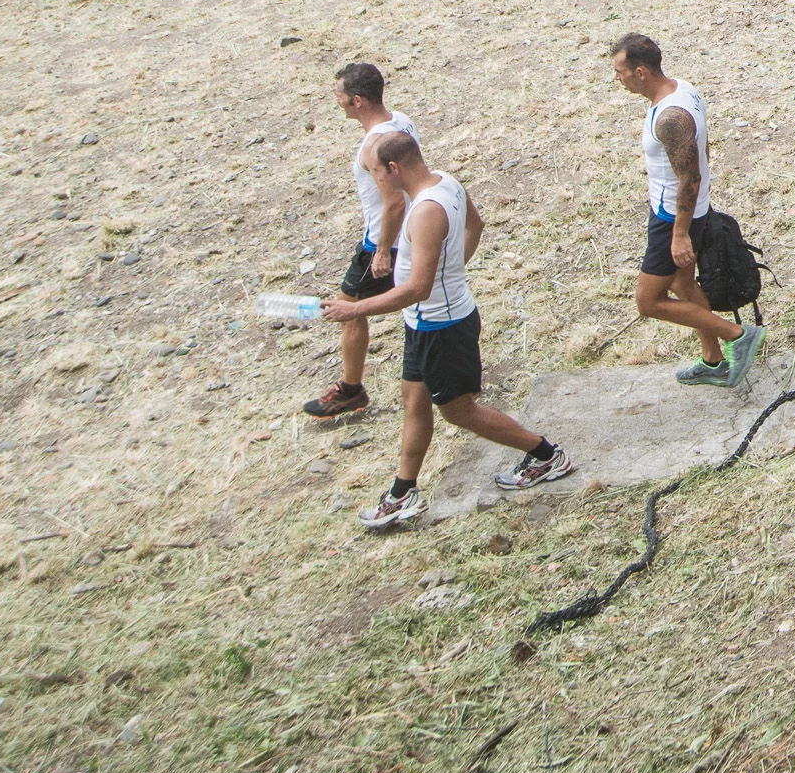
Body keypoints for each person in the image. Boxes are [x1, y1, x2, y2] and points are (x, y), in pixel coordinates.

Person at [324, 129, 575, 530]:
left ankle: (547, 455)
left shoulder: (425, 211)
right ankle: (402, 492)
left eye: (375, 173)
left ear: (394, 167)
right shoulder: (448, 182)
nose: (375, 181)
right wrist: (454, 270)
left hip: (442, 327)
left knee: (460, 412)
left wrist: (353, 309)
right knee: (414, 401)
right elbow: (476, 225)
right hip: (425, 323)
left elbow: (418, 287)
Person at [611, 33, 761, 390]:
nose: (617, 78)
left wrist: (679, 233)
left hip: (673, 218)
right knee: (681, 282)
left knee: (649, 302)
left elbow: (690, 177)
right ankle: (713, 360)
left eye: (620, 71)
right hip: (686, 210)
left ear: (641, 71)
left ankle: (738, 335)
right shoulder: (684, 89)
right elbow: (703, 150)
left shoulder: (670, 117)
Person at [305, 62, 417, 421]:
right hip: (415, 230)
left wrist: (382, 249)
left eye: (339, 96)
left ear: (357, 101)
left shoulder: (374, 145)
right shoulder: (401, 121)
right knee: (419, 296)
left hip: (383, 240)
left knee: (349, 310)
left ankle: (351, 390)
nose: (335, 101)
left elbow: (394, 201)